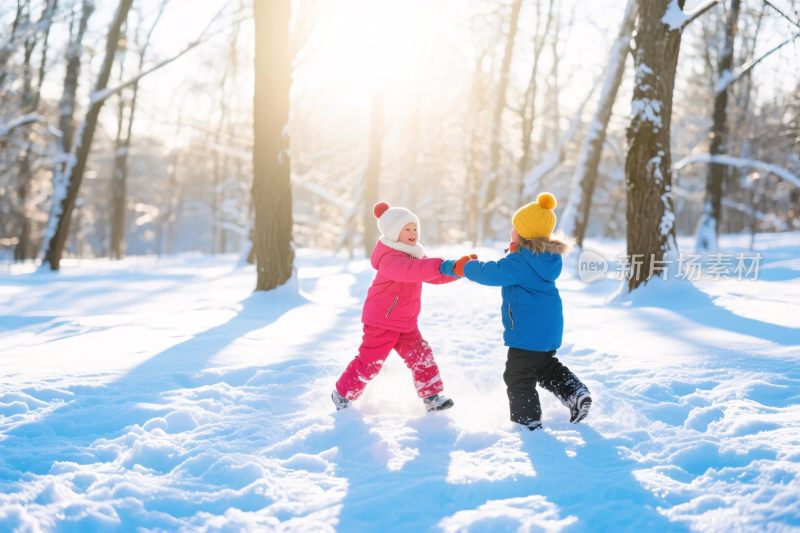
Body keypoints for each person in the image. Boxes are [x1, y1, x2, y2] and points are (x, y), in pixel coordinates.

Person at [441, 192, 591, 430]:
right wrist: (515, 251)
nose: (511, 231)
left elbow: (492, 273)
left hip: (527, 330)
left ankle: (527, 422)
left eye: (514, 227)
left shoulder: (521, 261)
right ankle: (576, 393)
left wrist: (464, 267)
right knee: (543, 365)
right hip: (547, 328)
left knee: (518, 376)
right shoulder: (544, 258)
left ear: (523, 233)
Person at [332, 201, 475, 412]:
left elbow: (431, 275)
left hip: (406, 323)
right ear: (393, 232)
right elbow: (413, 271)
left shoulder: (414, 255)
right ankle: (343, 394)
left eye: (415, 228)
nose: (413, 232)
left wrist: (457, 271)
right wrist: (445, 265)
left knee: (421, 355)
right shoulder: (390, 259)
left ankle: (432, 397)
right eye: (406, 229)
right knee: (370, 361)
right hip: (382, 321)